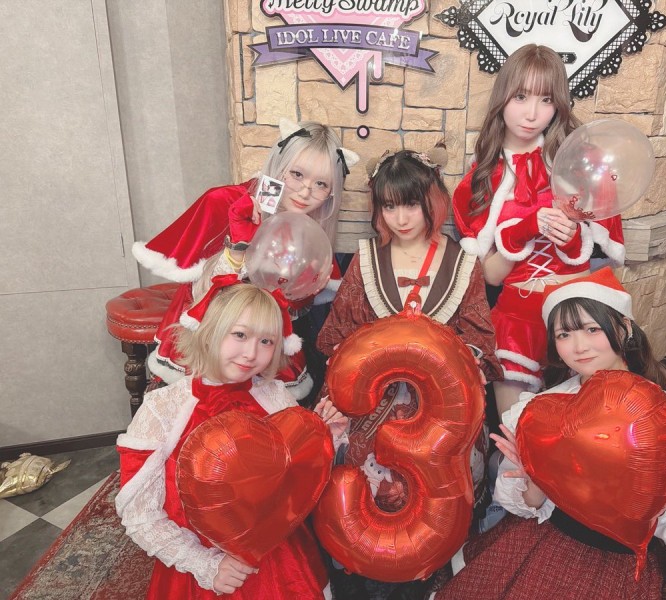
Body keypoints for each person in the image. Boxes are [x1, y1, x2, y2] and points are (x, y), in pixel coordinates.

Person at [433, 268, 666, 600]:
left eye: (592, 329)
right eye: (564, 334)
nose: (578, 347)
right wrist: (537, 476)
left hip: (619, 563)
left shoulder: (664, 413)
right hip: (545, 541)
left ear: (624, 327)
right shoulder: (543, 409)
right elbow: (529, 505)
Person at [316, 148, 503, 599]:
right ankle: (362, 576)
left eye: (412, 205)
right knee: (360, 491)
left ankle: (431, 580)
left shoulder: (463, 264)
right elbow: (339, 336)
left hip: (442, 411)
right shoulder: (366, 260)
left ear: (432, 202)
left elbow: (480, 337)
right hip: (373, 405)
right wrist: (334, 395)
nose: (401, 218)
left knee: (442, 499)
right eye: (389, 206)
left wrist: (468, 364)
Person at [115, 278, 348, 599]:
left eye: (266, 341)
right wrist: (206, 565)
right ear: (210, 331)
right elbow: (139, 513)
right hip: (203, 572)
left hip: (276, 560)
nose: (251, 353)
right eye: (239, 335)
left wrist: (323, 441)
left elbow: (293, 486)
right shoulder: (164, 408)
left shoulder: (276, 397)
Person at [451, 44, 625, 417]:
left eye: (546, 100)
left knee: (589, 426)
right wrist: (526, 229)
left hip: (578, 313)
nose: (532, 113)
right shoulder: (482, 178)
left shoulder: (580, 162)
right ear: (503, 97)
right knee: (516, 430)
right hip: (518, 317)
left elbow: (597, 254)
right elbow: (490, 276)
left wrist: (572, 237)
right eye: (521, 97)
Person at [132, 119, 359, 402]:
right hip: (207, 335)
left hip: (262, 342)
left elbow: (294, 306)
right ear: (280, 165)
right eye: (297, 174)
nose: (305, 191)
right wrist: (240, 248)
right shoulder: (224, 202)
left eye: (321, 184)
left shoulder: (310, 231)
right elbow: (203, 293)